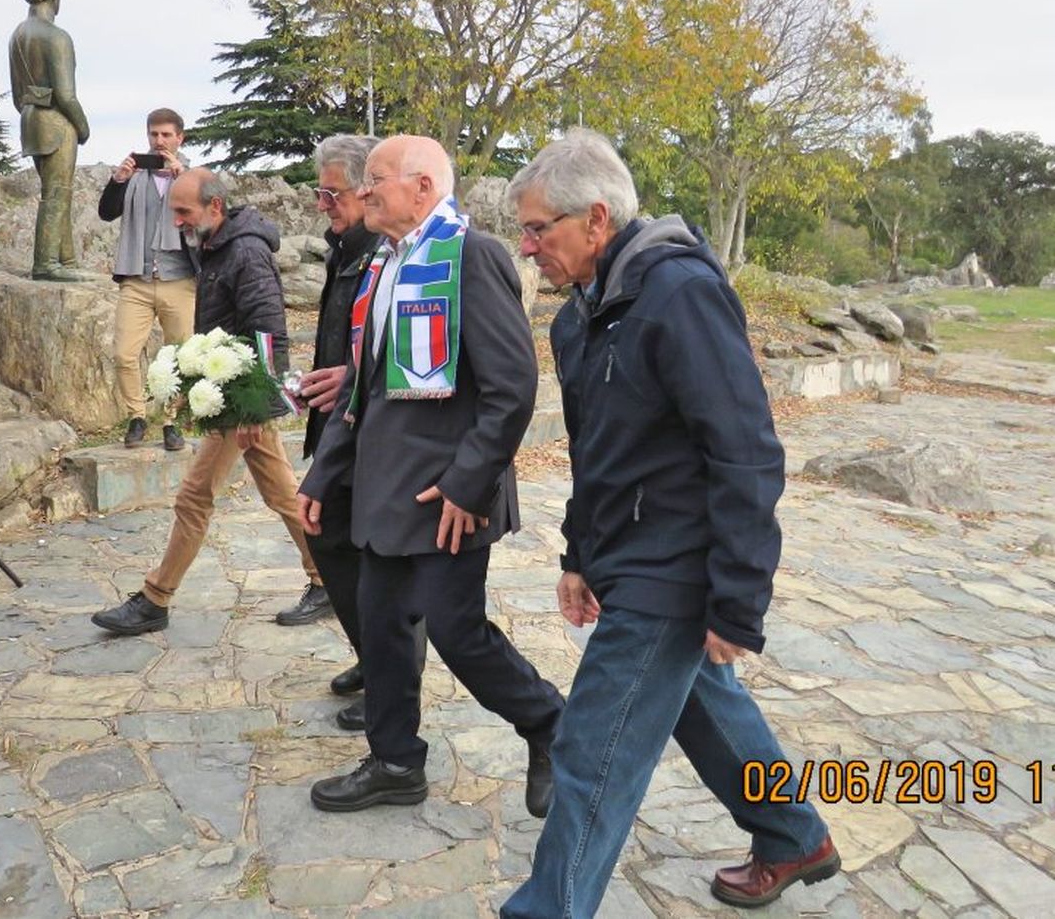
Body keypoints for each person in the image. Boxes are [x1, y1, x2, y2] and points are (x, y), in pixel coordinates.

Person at [498, 130, 836, 918]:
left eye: (538, 227)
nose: (527, 245)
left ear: (598, 219)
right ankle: (792, 834)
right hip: (627, 555)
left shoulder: (679, 294)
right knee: (702, 701)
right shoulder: (578, 318)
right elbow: (597, 455)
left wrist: (738, 600)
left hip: (676, 564)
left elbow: (747, 449)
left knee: (592, 747)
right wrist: (579, 554)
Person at [297, 135, 564, 814]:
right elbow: (364, 386)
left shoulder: (470, 256)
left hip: (449, 495)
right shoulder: (389, 263)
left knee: (457, 632)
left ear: (423, 188)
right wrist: (323, 476)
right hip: (389, 491)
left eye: (377, 180)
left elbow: (512, 386)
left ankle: (550, 724)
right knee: (381, 624)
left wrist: (468, 482)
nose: (364, 192)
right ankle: (395, 761)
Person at [92, 169, 323, 635]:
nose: (176, 220)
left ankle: (156, 599)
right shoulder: (218, 244)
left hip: (242, 401)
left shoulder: (247, 252)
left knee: (194, 497)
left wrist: (254, 409)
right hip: (236, 396)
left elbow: (267, 331)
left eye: (183, 211)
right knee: (283, 496)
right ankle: (328, 580)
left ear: (214, 207)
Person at [281, 134, 428, 732]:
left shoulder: (390, 250)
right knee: (331, 544)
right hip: (338, 425)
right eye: (322, 191)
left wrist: (357, 374)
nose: (324, 203)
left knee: (382, 571)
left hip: (374, 432)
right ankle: (375, 661)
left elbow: (416, 351)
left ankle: (394, 684)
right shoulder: (346, 247)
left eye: (332, 191)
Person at [98, 108, 197, 451]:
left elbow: (209, 218)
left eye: (166, 135)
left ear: (179, 138)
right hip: (137, 278)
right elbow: (107, 212)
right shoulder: (135, 173)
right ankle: (137, 416)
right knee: (125, 354)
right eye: (154, 134)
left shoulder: (192, 176)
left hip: (178, 278)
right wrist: (119, 180)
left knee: (179, 356)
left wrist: (182, 178)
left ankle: (171, 420)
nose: (159, 141)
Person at [8, 0, 89, 281]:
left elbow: (16, 95)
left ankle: (65, 259)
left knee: (57, 191)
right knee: (57, 194)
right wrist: (83, 128)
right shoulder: (57, 37)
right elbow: (67, 96)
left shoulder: (17, 35)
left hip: (30, 120)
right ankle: (46, 263)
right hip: (57, 123)